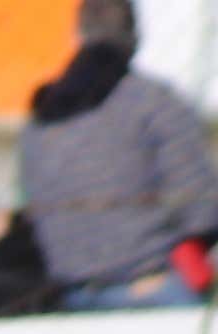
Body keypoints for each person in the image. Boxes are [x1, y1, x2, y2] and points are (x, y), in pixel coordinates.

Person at [23, 0, 218, 307]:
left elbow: (32, 209)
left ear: (77, 36)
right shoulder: (155, 101)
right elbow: (201, 206)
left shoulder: (43, 112)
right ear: (135, 38)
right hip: (153, 286)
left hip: (72, 291)